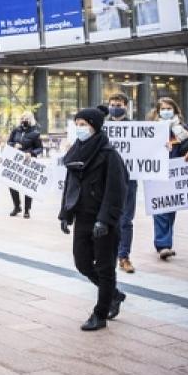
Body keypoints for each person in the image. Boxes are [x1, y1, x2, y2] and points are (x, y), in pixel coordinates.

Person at [59, 107, 129, 331]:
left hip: (103, 222)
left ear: (95, 127)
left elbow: (116, 191)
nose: (79, 129)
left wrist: (105, 220)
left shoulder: (109, 154)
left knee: (106, 267)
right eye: (77, 124)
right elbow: (70, 186)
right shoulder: (75, 152)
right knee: (82, 263)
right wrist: (65, 213)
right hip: (82, 217)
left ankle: (100, 313)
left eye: (84, 125)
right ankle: (114, 295)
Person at [148, 97, 188, 260]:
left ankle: (165, 243)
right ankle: (163, 245)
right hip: (157, 174)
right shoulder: (150, 129)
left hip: (176, 176)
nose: (165, 111)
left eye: (168, 108)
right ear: (157, 112)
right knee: (160, 210)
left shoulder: (183, 130)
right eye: (162, 109)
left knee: (170, 210)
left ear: (175, 110)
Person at [107, 93, 137, 274]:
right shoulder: (101, 127)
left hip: (129, 179)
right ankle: (107, 255)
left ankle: (124, 256)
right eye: (112, 104)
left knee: (126, 219)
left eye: (118, 104)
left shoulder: (136, 127)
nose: (115, 107)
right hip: (107, 178)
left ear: (125, 106)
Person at [7, 111, 44, 218]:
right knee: (12, 184)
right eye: (23, 118)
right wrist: (14, 145)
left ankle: (27, 210)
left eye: (27, 118)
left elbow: (40, 148)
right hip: (15, 161)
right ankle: (16, 206)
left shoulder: (35, 133)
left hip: (28, 162)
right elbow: (8, 142)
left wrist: (31, 153)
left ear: (32, 119)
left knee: (27, 187)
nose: (24, 120)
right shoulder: (16, 130)